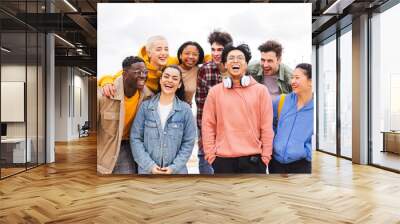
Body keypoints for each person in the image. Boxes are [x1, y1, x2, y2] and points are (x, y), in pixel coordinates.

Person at [201, 44, 274, 174]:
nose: (235, 61)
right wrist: (211, 157)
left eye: (240, 58)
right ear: (224, 64)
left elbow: (267, 127)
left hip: (254, 161)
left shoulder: (261, 91)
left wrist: (265, 157)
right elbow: (208, 126)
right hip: (222, 161)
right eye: (231, 58)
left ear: (246, 64)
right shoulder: (215, 92)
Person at [131, 65, 197, 174]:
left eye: (175, 78)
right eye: (166, 76)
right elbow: (136, 138)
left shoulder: (185, 110)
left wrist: (173, 168)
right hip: (147, 172)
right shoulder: (145, 107)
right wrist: (150, 166)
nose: (170, 81)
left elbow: (188, 142)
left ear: (179, 84)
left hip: (177, 173)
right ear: (161, 80)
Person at [97, 56, 153, 174]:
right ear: (125, 74)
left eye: (145, 72)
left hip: (128, 144)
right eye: (138, 72)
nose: (143, 75)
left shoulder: (148, 97)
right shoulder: (103, 95)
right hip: (106, 149)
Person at [195, 30, 233, 174]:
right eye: (213, 49)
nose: (216, 53)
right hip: (209, 123)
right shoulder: (205, 70)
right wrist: (203, 132)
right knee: (205, 158)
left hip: (231, 126)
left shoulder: (237, 69)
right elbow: (201, 104)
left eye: (220, 50)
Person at [269, 63, 314, 174]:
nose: (292, 81)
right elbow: (270, 126)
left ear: (311, 82)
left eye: (297, 78)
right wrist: (274, 147)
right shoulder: (281, 101)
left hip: (302, 165)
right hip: (276, 164)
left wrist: (307, 153)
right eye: (292, 77)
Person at [98, 35, 179, 96]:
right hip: (145, 99)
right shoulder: (138, 66)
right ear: (149, 53)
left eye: (166, 49)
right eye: (158, 49)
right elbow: (115, 77)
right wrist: (106, 82)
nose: (163, 53)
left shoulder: (172, 61)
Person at [177, 41, 205, 105]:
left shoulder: (199, 70)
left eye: (195, 54)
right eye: (187, 53)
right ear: (180, 55)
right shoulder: (172, 70)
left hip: (187, 109)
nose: (191, 56)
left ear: (198, 58)